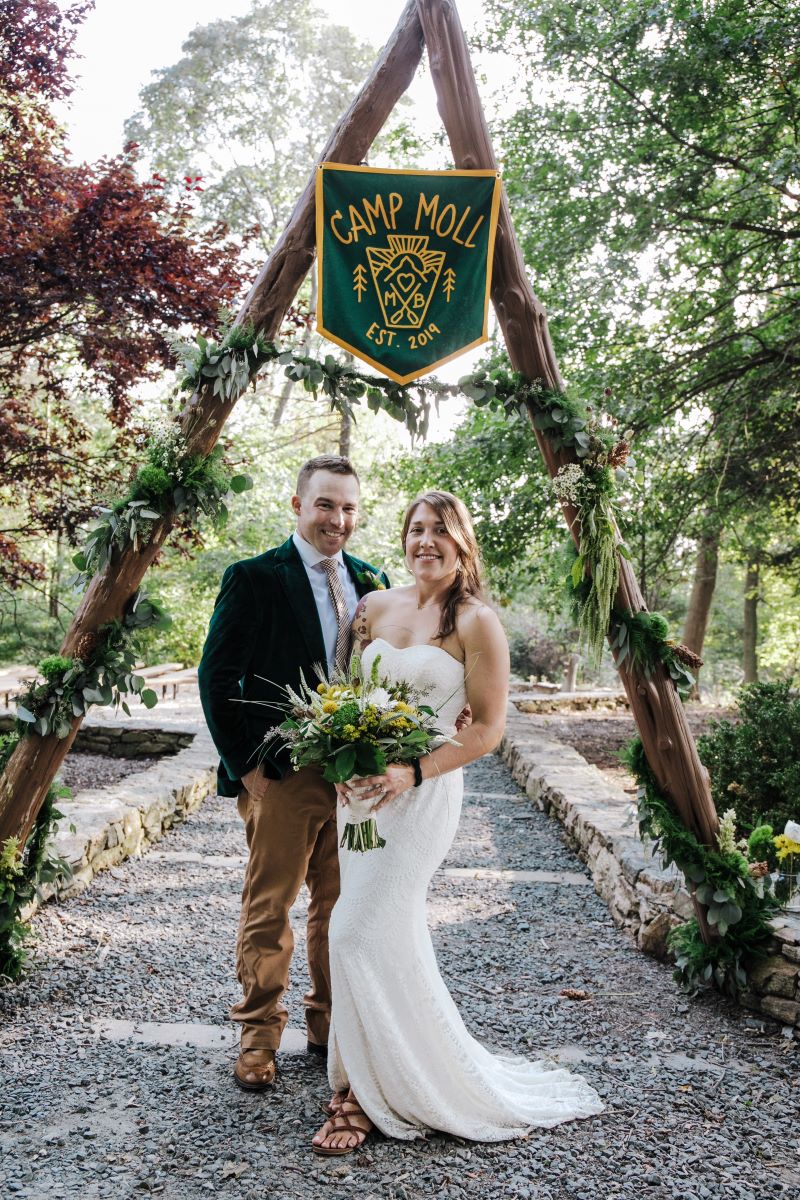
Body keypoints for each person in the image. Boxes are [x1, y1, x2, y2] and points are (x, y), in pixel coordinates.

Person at [311, 490, 604, 1154]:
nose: (425, 541)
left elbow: (490, 729)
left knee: (353, 931)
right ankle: (375, 1069)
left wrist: (407, 772)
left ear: (463, 542)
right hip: (358, 793)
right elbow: (347, 697)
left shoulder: (477, 622)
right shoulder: (374, 607)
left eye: (439, 531)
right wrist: (339, 754)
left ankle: (357, 1094)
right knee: (377, 933)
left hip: (419, 796)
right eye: (415, 529)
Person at [198, 455, 388, 1091]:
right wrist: (247, 766)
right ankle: (257, 1033)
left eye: (349, 508)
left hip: (353, 775)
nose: (338, 519)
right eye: (326, 505)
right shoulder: (253, 578)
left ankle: (327, 1023)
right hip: (281, 771)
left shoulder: (373, 581)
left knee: (338, 906)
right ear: (298, 505)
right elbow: (218, 679)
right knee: (270, 905)